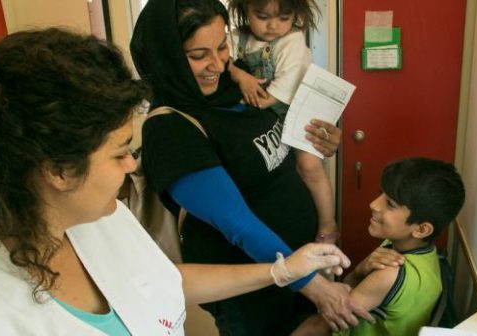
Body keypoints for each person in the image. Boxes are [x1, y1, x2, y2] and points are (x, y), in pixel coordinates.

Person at [0, 28, 351, 335]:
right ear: (58, 171)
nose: (132, 165)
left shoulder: (105, 218)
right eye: (120, 152)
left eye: (222, 48)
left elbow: (158, 279)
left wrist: (280, 272)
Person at [130, 0, 372, 334]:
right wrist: (314, 286)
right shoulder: (171, 130)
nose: (217, 64)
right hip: (253, 292)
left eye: (221, 46)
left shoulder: (238, 86)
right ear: (166, 56)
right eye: (198, 55)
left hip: (301, 268)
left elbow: (275, 152)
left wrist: (320, 142)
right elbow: (238, 224)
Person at [292, 157, 466, 336]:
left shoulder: (390, 272)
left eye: (390, 204)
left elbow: (319, 325)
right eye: (381, 194)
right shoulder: (418, 252)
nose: (373, 204)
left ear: (421, 229)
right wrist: (361, 270)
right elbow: (348, 286)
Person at [226, 0, 338, 246]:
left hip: (293, 110)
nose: (272, 26)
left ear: (295, 16)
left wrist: (239, 78)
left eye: (283, 18)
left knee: (309, 166)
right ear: (245, 11)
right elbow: (224, 63)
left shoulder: (292, 43)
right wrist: (240, 75)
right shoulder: (236, 38)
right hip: (265, 115)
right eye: (262, 16)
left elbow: (266, 100)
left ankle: (329, 223)